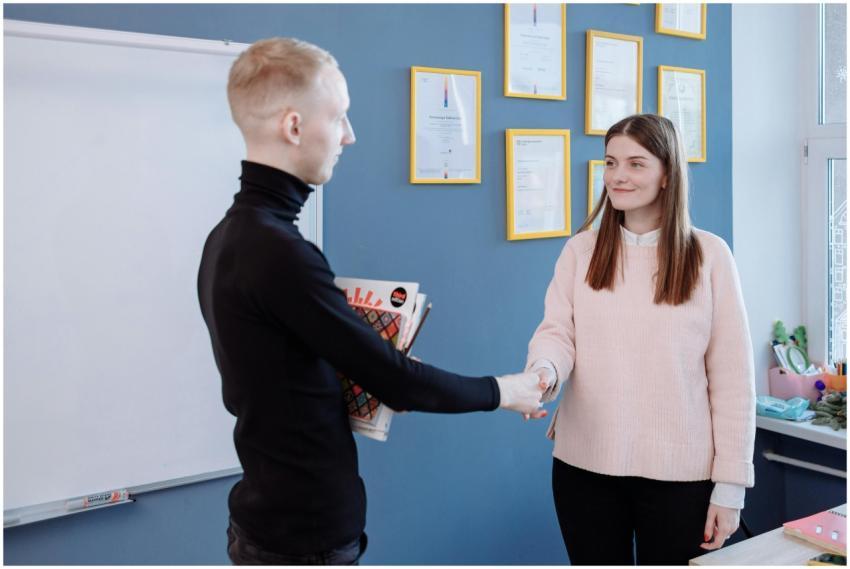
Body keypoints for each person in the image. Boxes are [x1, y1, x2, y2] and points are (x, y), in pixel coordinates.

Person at [197, 37, 546, 566]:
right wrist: (508, 390)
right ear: (294, 127)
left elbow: (279, 373)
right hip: (303, 537)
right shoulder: (279, 252)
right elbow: (399, 380)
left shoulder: (229, 238)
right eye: (339, 117)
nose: (349, 136)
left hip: (267, 519)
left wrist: (367, 371)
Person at [525, 114, 755, 565]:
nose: (618, 176)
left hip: (681, 477)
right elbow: (557, 334)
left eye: (635, 163)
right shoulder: (581, 251)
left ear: (667, 173)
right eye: (611, 163)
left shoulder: (710, 257)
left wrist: (730, 487)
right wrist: (543, 373)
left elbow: (733, 381)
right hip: (583, 467)